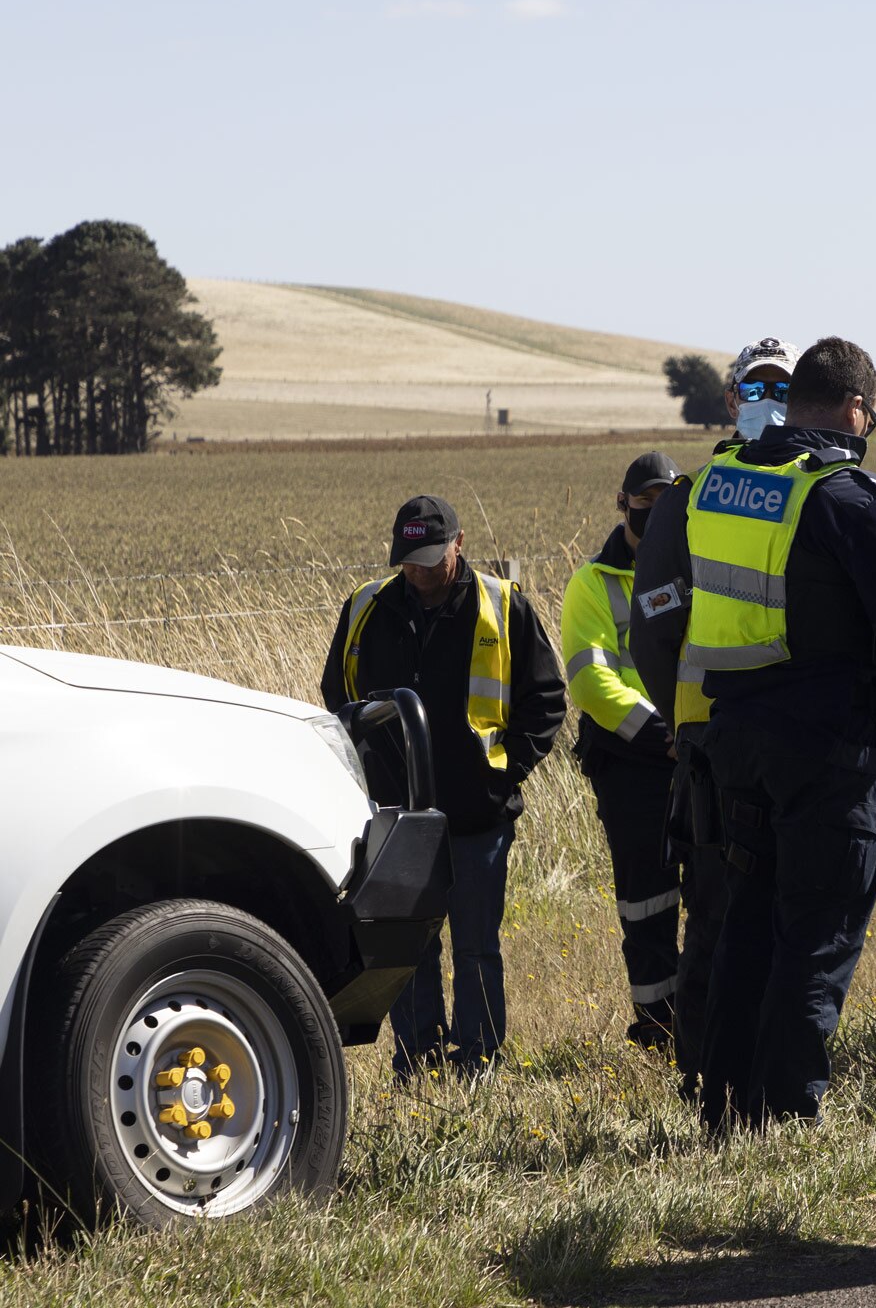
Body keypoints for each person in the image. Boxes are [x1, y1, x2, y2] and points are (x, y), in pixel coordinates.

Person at [681, 336, 876, 1129]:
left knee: (746, 928)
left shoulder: (720, 483)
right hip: (828, 752)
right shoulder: (845, 496)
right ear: (857, 410)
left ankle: (724, 1112)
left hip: (736, 741)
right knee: (817, 933)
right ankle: (788, 1116)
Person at [322, 494, 565, 1080]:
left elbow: (547, 701)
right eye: (408, 559)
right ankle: (416, 1058)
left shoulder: (503, 608)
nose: (420, 571)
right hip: (395, 813)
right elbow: (338, 696)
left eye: (432, 557)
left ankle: (478, 1057)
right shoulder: (366, 609)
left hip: (477, 815)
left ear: (459, 544)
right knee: (408, 947)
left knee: (476, 944)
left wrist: (503, 772)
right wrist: (371, 771)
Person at [628, 337, 794, 1093]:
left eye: (783, 388)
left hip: (799, 737)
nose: (770, 402)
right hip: (712, 740)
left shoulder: (815, 483)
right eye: (756, 389)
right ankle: (703, 1074)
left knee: (795, 909)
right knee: (719, 911)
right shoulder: (691, 494)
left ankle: (774, 1067)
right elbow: (656, 628)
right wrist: (683, 722)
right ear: (730, 401)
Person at [560, 451, 687, 1051]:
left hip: (699, 751)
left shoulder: (700, 568)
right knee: (647, 899)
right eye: (644, 504)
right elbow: (589, 680)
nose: (653, 515)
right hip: (635, 760)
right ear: (623, 504)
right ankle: (659, 1025)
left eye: (667, 505)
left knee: (715, 891)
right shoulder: (593, 581)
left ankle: (707, 1012)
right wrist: (662, 731)